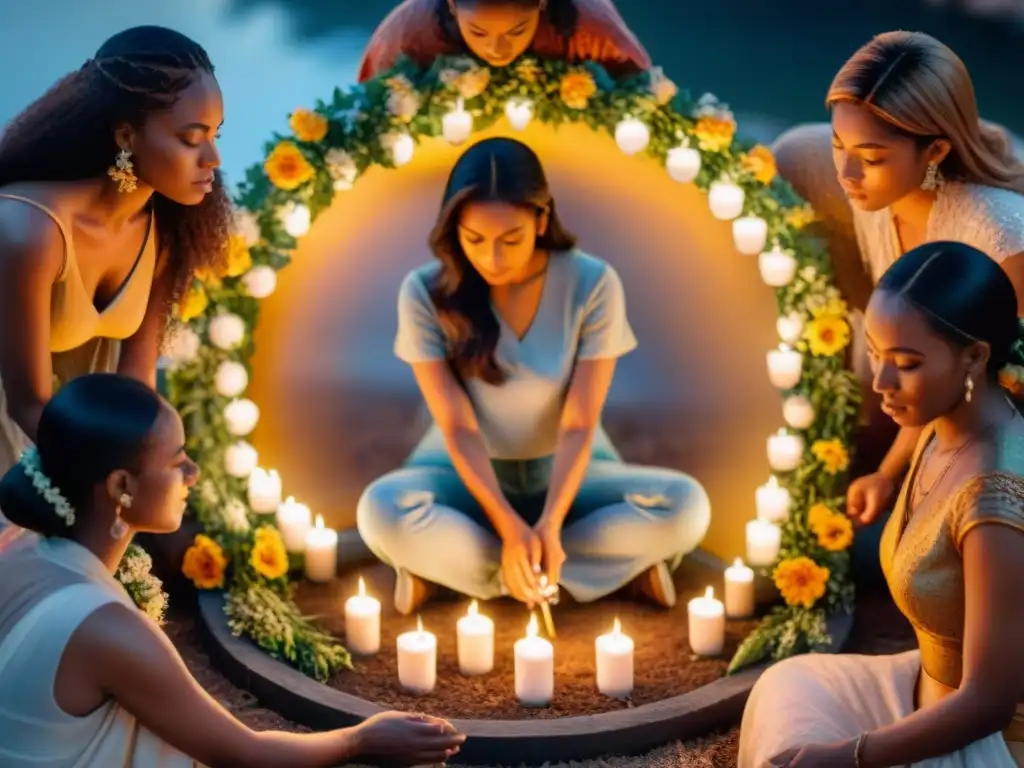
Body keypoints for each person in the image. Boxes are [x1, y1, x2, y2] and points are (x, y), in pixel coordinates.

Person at [0, 374, 466, 767]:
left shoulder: (17, 543)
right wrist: (359, 740)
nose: (194, 474)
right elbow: (246, 754)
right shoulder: (107, 629)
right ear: (121, 485)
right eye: (177, 460)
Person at [356, 137, 711, 615]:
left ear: (542, 220)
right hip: (457, 472)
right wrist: (508, 527)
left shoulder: (593, 283)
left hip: (572, 470)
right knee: (380, 512)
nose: (493, 260)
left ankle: (456, 575)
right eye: (475, 240)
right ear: (453, 229)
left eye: (511, 239)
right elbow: (458, 426)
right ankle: (607, 572)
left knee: (687, 508)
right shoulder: (424, 292)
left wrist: (547, 525)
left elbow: (580, 422)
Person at [738, 241, 1024, 768]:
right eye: (874, 353)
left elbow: (988, 703)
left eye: (906, 364)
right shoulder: (941, 424)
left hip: (981, 740)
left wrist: (848, 756)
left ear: (976, 356)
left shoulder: (995, 499)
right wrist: (883, 479)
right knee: (788, 685)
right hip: (923, 685)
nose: (879, 383)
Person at [772, 31, 1024, 582]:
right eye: (839, 146)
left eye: (871, 157)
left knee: (882, 565)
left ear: (934, 150)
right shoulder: (875, 200)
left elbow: (993, 388)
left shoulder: (999, 234)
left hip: (1000, 450)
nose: (847, 174)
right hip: (941, 424)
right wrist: (888, 475)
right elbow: (935, 367)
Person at [0, 26, 233, 535]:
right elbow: (25, 401)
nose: (213, 160)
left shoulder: (165, 233)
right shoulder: (29, 230)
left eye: (217, 135)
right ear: (125, 136)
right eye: (192, 139)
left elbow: (136, 387)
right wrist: (115, 487)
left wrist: (144, 483)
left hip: (81, 456)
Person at [357, 0, 650, 81]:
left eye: (517, 31)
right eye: (479, 33)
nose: (497, 50)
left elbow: (644, 94)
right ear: (452, 5)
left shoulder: (590, 28)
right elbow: (371, 107)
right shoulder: (410, 32)